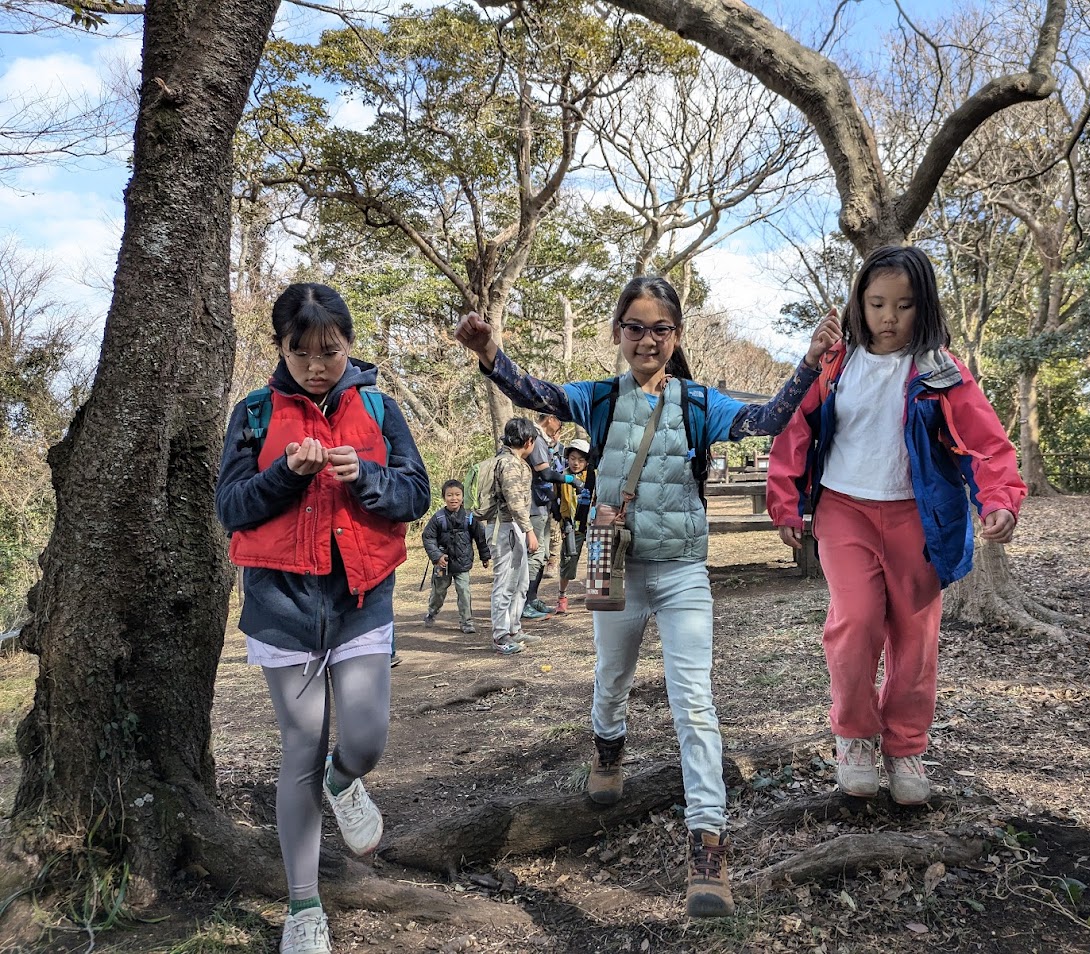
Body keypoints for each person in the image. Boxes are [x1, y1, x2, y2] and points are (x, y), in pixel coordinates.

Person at [456, 276, 839, 919]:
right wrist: (489, 353)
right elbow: (536, 392)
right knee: (611, 677)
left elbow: (767, 419)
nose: (647, 339)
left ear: (677, 336)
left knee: (695, 703)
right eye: (634, 327)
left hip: (683, 570)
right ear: (618, 332)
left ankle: (708, 847)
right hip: (615, 562)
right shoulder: (600, 399)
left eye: (661, 328)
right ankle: (608, 749)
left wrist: (807, 362)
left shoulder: (699, 403)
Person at [767, 245, 1025, 807]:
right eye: (877, 303)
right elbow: (794, 429)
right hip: (844, 510)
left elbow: (985, 443)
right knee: (856, 621)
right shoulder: (835, 364)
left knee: (916, 639)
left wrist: (999, 499)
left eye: (904, 306)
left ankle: (906, 746)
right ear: (858, 302)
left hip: (919, 517)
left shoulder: (941, 370)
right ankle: (855, 736)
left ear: (923, 307)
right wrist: (785, 500)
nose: (889, 317)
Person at [215, 283, 430, 954]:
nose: (316, 366)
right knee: (300, 748)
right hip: (282, 605)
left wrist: (365, 476)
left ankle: (346, 780)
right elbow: (230, 508)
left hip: (361, 598)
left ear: (349, 346)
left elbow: (415, 493)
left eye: (330, 351)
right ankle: (303, 907)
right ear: (280, 349)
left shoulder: (379, 408)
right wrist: (284, 474)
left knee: (365, 741)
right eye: (300, 352)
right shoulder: (254, 414)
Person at [488, 416, 542, 654]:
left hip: (515, 527)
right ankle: (500, 635)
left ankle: (513, 628)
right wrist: (529, 530)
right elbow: (514, 501)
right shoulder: (508, 463)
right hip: (506, 527)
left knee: (520, 582)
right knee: (505, 582)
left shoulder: (514, 461)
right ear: (528, 441)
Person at [421, 479, 491, 634]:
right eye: (450, 495)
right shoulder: (438, 518)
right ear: (444, 497)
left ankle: (466, 622)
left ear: (463, 496)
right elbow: (428, 537)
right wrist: (437, 556)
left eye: (457, 494)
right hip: (443, 564)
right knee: (438, 592)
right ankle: (432, 612)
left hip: (462, 563)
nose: (454, 498)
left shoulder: (469, 517)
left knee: (464, 592)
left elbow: (480, 537)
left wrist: (485, 556)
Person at [523, 412, 574, 620]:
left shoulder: (543, 441)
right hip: (533, 506)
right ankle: (524, 602)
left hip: (543, 505)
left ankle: (533, 598)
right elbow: (545, 473)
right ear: (551, 418)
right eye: (560, 425)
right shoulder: (534, 437)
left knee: (542, 555)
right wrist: (570, 480)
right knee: (534, 555)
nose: (559, 430)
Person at [554, 438, 593, 614]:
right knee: (568, 560)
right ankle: (562, 596)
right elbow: (554, 500)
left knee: (597, 560)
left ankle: (595, 594)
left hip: (592, 524)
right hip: (571, 526)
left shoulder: (593, 476)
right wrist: (560, 523)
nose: (576, 463)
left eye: (581, 460)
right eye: (572, 458)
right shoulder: (561, 477)